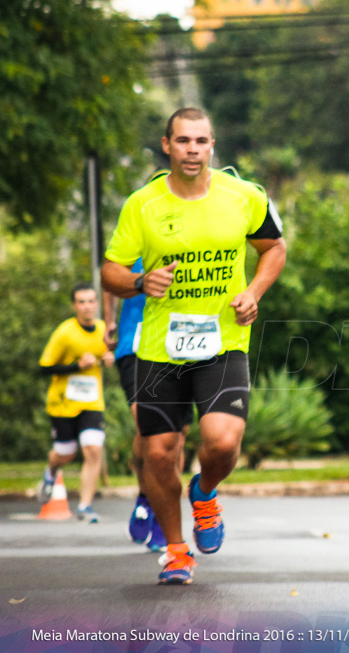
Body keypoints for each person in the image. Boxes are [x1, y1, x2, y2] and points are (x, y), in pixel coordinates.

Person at [101, 107, 286, 585]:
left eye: (201, 142)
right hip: (161, 348)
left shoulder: (244, 196)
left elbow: (273, 248)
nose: (192, 150)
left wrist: (254, 292)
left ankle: (204, 491)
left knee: (222, 442)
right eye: (183, 141)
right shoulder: (142, 204)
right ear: (167, 145)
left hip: (224, 341)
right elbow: (110, 272)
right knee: (159, 451)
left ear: (212, 145)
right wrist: (141, 280)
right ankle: (177, 550)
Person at [102, 253, 191, 554]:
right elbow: (109, 276)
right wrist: (109, 320)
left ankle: (162, 510)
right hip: (135, 343)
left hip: (180, 344)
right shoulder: (137, 233)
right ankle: (146, 497)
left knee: (177, 436)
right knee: (148, 426)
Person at [38, 283, 115, 523]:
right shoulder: (65, 332)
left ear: (97, 304)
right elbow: (44, 367)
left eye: (91, 301)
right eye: (81, 302)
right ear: (74, 306)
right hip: (63, 402)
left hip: (92, 402)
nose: (87, 306)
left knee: (93, 448)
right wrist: (76, 366)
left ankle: (85, 506)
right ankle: (50, 472)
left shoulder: (104, 330)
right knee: (65, 453)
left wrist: (111, 359)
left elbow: (110, 356)